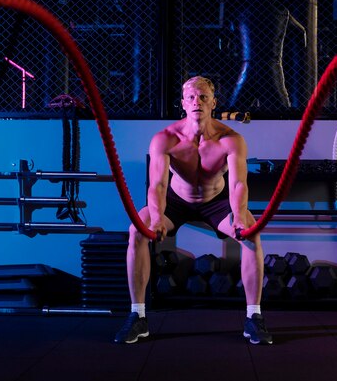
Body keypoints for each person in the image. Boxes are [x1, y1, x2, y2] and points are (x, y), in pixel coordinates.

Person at [114, 75, 272, 345]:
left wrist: (238, 217)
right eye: (191, 97)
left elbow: (237, 185)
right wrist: (156, 217)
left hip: (218, 201)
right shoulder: (165, 139)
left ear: (213, 103)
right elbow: (158, 185)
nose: (196, 101)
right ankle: (137, 316)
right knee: (137, 231)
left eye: (203, 97)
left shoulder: (231, 139)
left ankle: (253, 318)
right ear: (183, 104)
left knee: (251, 234)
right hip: (176, 200)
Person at [223, 0, 306, 113]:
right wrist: (300, 57)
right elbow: (301, 33)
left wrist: (228, 49)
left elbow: (226, 36)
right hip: (271, 68)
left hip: (248, 67)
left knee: (231, 113)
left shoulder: (240, 11)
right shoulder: (281, 10)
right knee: (282, 114)